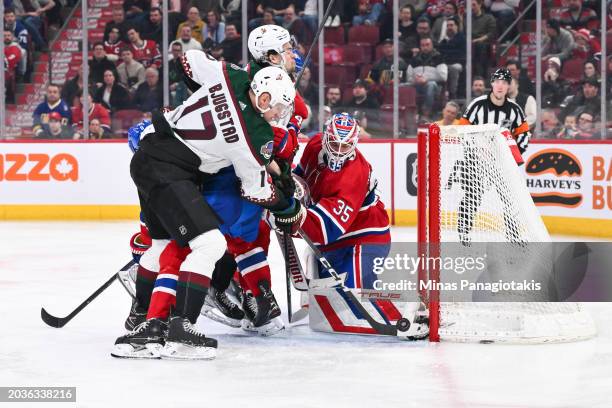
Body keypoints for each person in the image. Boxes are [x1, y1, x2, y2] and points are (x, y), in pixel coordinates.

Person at [111, 56, 298, 359]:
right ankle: (181, 329)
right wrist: (287, 204)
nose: (279, 113)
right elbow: (256, 191)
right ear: (263, 98)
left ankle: (145, 327)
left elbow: (186, 60)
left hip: (147, 155)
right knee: (211, 244)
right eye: (277, 106)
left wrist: (197, 101)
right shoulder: (256, 134)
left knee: (160, 246)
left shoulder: (231, 76)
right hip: (170, 171)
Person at [280, 113, 400, 335]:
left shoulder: (353, 174)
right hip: (335, 239)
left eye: (345, 146)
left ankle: (407, 313)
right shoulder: (314, 145)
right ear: (325, 137)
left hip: (365, 237)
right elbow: (301, 178)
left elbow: (323, 230)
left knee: (354, 301)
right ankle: (314, 266)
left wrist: (289, 215)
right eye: (334, 143)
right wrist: (284, 185)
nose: (338, 150)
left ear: (354, 144)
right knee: (333, 306)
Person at [457, 68, 531, 245]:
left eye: (505, 82)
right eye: (497, 81)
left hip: (503, 163)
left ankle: (513, 235)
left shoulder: (515, 109)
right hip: (475, 160)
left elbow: (524, 134)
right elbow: (462, 130)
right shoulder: (477, 105)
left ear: (509, 86)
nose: (500, 85)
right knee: (472, 196)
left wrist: (513, 156)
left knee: (510, 198)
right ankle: (464, 233)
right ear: (491, 84)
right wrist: (475, 149)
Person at [406, 36, 447, 120]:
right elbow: (409, 77)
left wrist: (426, 79)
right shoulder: (415, 59)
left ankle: (426, 114)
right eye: (423, 45)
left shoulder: (438, 57)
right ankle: (409, 114)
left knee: (430, 85)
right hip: (417, 85)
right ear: (420, 46)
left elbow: (443, 77)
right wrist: (415, 80)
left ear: (432, 45)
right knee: (401, 86)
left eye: (427, 45)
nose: (425, 47)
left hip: (435, 86)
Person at [436, 16, 465, 99]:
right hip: (444, 63)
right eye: (448, 26)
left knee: (453, 68)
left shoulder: (462, 38)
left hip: (458, 63)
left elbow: (461, 54)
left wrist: (446, 52)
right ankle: (439, 94)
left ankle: (453, 94)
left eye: (451, 25)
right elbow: (439, 52)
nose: (449, 27)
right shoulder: (444, 40)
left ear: (457, 26)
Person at [469, 0, 496, 78]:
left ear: (480, 4)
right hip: (469, 42)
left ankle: (480, 76)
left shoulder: (488, 18)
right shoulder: (467, 18)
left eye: (474, 5)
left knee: (480, 46)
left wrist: (479, 39)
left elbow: (492, 33)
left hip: (483, 42)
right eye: (470, 5)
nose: (471, 7)